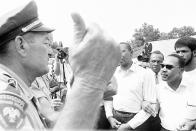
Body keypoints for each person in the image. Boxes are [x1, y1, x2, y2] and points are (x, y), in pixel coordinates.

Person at [0, 0, 121, 130]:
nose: (51, 52)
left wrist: (85, 92)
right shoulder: (5, 96)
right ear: (21, 45)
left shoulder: (18, 89)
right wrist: (89, 85)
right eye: (46, 43)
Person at [105, 42, 158, 131]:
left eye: (122, 51)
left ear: (131, 52)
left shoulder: (145, 74)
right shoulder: (112, 74)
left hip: (137, 121)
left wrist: (129, 126)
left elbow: (150, 104)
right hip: (115, 120)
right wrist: (110, 117)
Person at [156, 53, 189, 131]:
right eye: (162, 66)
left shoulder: (192, 87)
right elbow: (152, 109)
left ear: (181, 70)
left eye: (169, 67)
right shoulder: (158, 88)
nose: (163, 69)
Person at [174, 36, 196, 130]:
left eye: (183, 51)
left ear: (194, 52)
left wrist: (193, 123)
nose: (180, 54)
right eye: (177, 52)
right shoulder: (174, 74)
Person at [141, 50, 164, 131]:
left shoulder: (166, 75)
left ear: (163, 62)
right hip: (145, 112)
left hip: (162, 114)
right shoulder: (141, 75)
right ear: (149, 62)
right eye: (153, 61)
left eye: (159, 61)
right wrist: (142, 102)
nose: (156, 64)